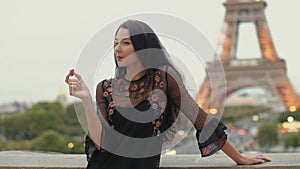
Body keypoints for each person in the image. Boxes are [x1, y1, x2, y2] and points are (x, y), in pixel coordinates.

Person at [65, 19, 271, 169]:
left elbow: (200, 119)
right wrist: (85, 99)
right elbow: (101, 143)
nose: (118, 48)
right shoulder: (105, 88)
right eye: (116, 43)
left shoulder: (164, 79)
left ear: (143, 46)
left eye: (126, 43)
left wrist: (240, 158)